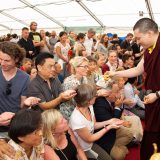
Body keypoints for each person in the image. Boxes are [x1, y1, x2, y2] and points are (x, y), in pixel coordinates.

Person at [109, 18, 160, 160]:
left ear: (149, 33)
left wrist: (157, 94)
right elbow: (138, 69)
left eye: (138, 38)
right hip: (153, 101)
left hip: (156, 97)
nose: (137, 42)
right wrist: (116, 74)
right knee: (151, 133)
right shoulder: (149, 49)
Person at [70, 84, 123, 160]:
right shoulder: (77, 119)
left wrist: (109, 121)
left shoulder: (89, 106)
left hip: (91, 144)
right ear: (88, 101)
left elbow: (94, 125)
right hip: (83, 149)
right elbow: (90, 138)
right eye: (94, 95)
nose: (97, 96)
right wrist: (109, 126)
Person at [0, 42, 30, 138]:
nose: (2, 63)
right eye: (0, 59)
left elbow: (22, 105)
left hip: (15, 128)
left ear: (16, 59)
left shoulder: (25, 78)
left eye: (7, 60)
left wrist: (27, 104)